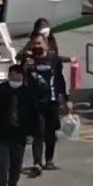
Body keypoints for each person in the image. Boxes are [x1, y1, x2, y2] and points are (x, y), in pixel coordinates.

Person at [21, 33, 72, 176]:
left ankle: (49, 160)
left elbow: (61, 80)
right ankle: (37, 162)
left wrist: (67, 99)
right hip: (35, 103)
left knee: (51, 133)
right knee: (38, 132)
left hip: (52, 101)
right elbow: (20, 78)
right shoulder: (28, 60)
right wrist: (25, 67)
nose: (36, 46)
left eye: (39, 43)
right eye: (34, 44)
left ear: (45, 45)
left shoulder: (53, 59)